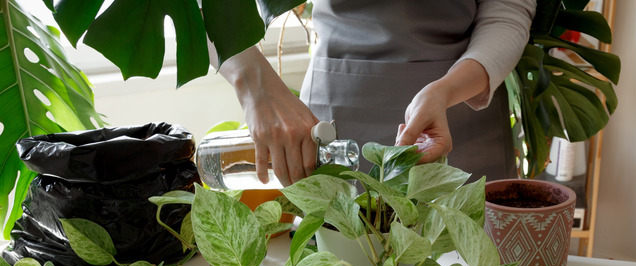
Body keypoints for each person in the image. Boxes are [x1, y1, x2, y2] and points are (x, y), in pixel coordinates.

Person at [216, 0, 536, 187]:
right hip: (335, 127)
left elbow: (507, 10)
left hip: (458, 120)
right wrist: (255, 86)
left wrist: (446, 90)